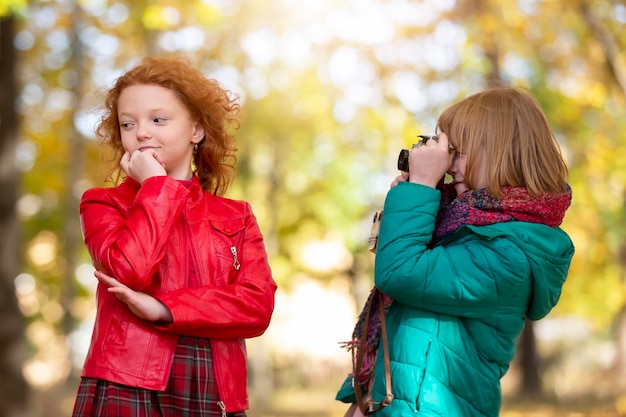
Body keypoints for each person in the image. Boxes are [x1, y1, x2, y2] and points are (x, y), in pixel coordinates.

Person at [336, 86, 575, 416]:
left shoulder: (511, 256)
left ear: (501, 151)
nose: (448, 166)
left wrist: (419, 191)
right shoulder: (454, 224)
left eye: (458, 151)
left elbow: (399, 272)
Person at [72, 56, 277, 417]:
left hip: (214, 387)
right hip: (127, 384)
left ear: (196, 130)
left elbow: (256, 308)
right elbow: (130, 271)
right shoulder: (102, 203)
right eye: (127, 123)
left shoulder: (236, 215)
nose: (142, 133)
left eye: (158, 119)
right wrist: (156, 186)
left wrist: (165, 308)